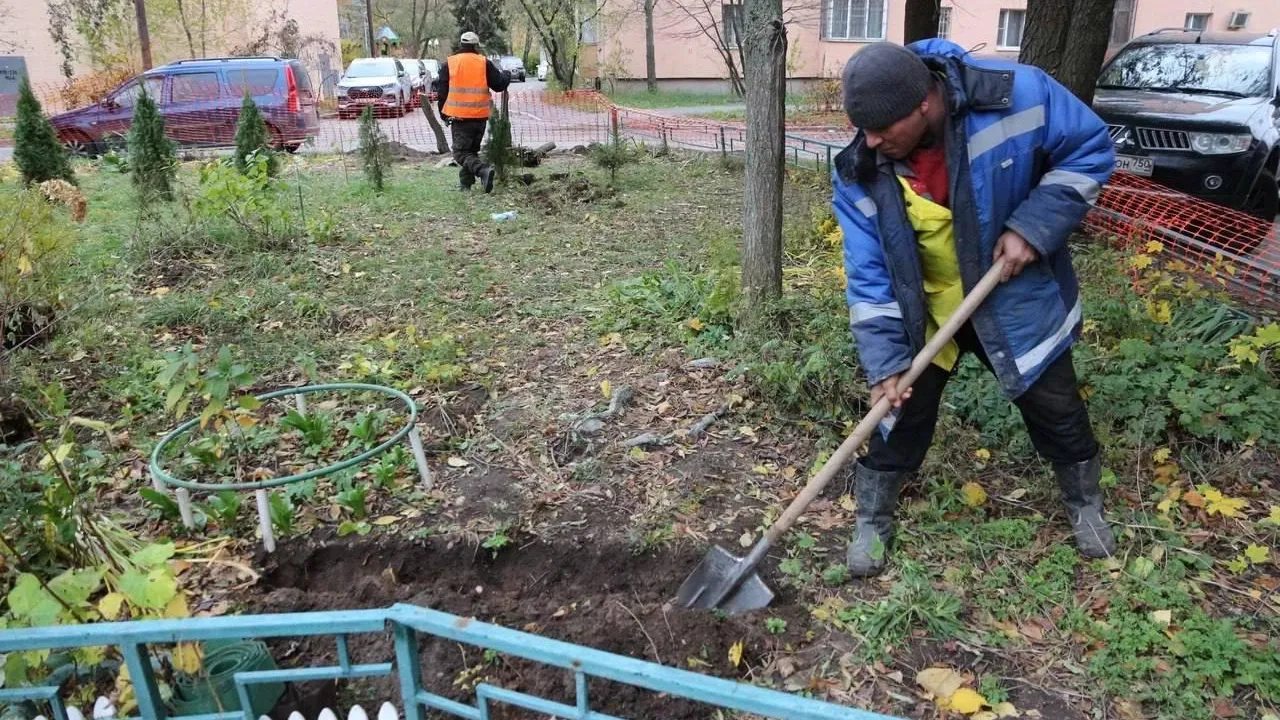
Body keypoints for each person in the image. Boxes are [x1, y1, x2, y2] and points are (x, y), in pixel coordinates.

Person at [831, 40, 1117, 577]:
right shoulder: (860, 167)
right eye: (862, 129)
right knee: (898, 411)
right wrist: (885, 362)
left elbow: (1091, 149)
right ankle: (872, 516)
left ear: (924, 105)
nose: (869, 142)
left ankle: (1084, 503)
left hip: (1011, 295)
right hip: (930, 309)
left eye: (881, 129)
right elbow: (869, 275)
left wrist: (1033, 227)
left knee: (1055, 403)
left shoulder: (1018, 94)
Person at [437, 31, 511, 193]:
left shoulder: (449, 64)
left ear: (461, 44)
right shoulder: (483, 63)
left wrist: (443, 114)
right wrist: (506, 74)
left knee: (460, 153)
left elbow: (441, 92)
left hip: (459, 117)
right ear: (476, 46)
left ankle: (483, 170)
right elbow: (499, 85)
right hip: (480, 116)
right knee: (470, 152)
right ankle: (466, 184)